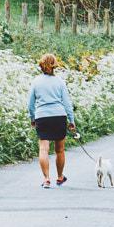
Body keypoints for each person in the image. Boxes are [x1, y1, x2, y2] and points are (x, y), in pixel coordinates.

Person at [27, 53, 76, 187]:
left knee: (43, 149)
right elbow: (67, 103)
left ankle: (46, 179)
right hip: (59, 116)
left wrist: (32, 118)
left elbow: (30, 104)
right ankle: (60, 177)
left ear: (41, 65)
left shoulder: (36, 82)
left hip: (42, 117)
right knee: (59, 150)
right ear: (54, 65)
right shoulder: (59, 81)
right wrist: (71, 121)